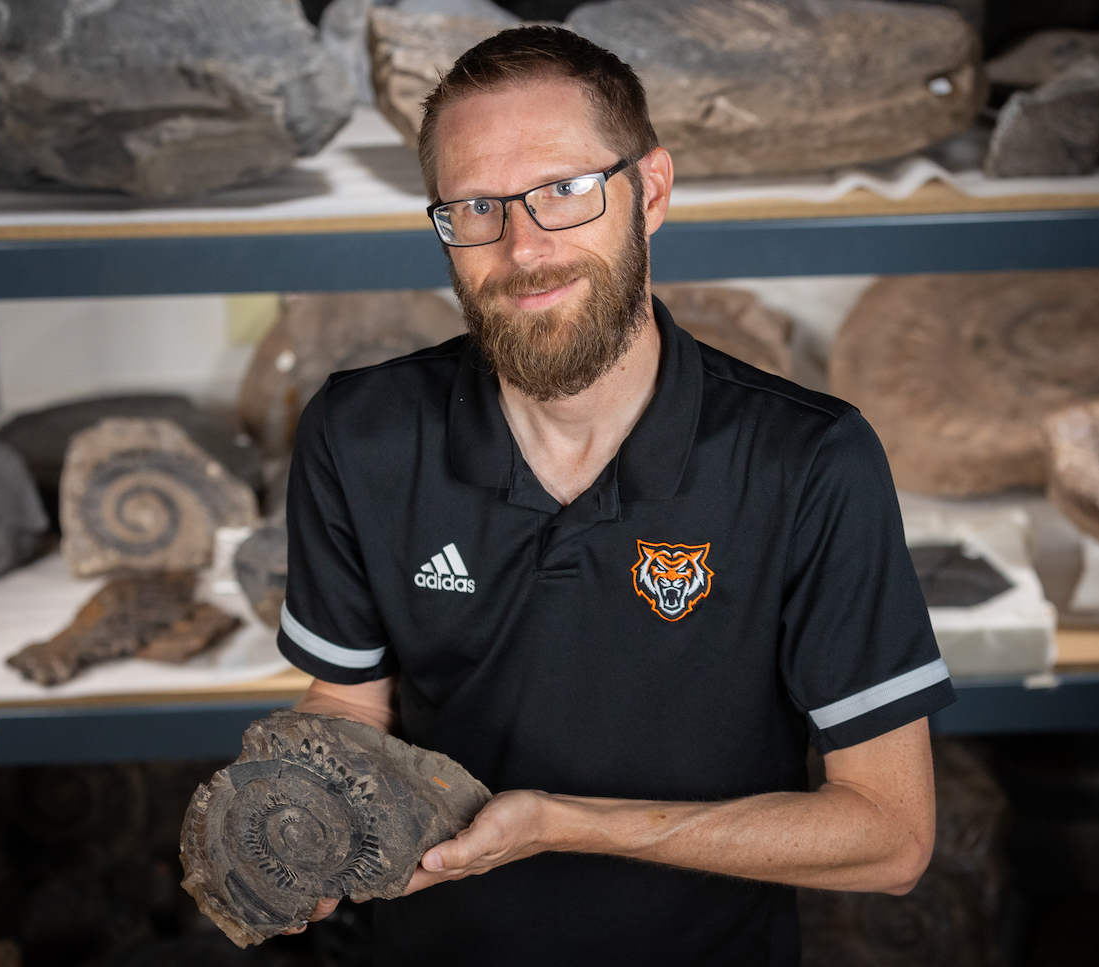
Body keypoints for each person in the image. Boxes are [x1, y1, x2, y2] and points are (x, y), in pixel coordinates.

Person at [275, 24, 954, 967]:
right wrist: (302, 808)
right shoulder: (362, 435)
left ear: (653, 190)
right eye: (475, 206)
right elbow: (349, 703)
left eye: (565, 190)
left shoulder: (807, 461)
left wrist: (564, 823)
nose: (523, 247)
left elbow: (890, 837)